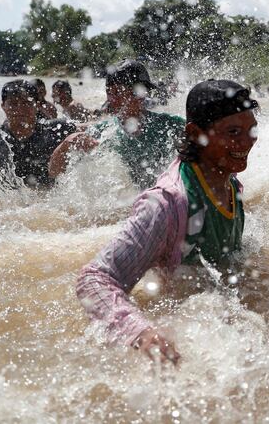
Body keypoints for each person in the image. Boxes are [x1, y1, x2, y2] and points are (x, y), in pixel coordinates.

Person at [76, 80, 258, 365]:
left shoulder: (227, 174)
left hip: (219, 320)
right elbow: (94, 279)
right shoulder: (166, 204)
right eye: (233, 132)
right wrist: (140, 333)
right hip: (185, 332)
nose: (246, 142)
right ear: (196, 134)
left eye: (251, 130)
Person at [49, 59, 185, 189]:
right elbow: (53, 172)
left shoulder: (170, 125)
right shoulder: (104, 132)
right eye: (109, 92)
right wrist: (67, 144)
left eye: (117, 92)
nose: (111, 99)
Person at [0, 80, 76, 188]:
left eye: (26, 103)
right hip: (12, 201)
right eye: (13, 104)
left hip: (50, 199)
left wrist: (73, 140)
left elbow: (90, 129)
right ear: (3, 106)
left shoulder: (57, 129)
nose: (19, 109)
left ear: (37, 106)